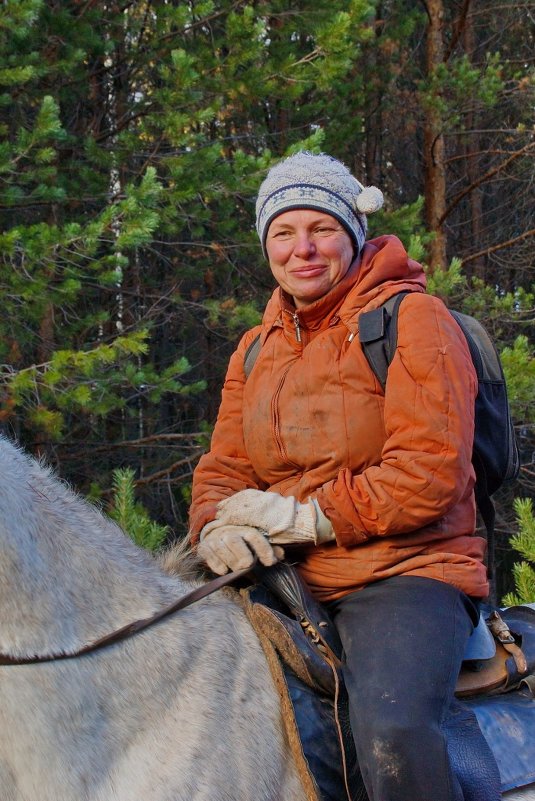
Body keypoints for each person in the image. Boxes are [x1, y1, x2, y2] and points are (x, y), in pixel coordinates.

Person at [188, 151, 500, 801]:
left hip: (404, 568)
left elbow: (429, 471)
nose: (301, 248)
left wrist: (305, 518)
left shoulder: (413, 319)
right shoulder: (255, 346)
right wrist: (214, 525)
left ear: (352, 235)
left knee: (393, 728)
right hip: (283, 573)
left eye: (320, 228)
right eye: (283, 232)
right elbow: (223, 467)